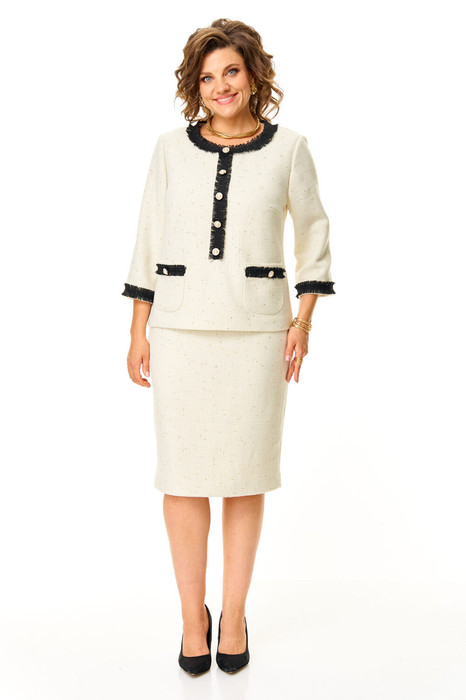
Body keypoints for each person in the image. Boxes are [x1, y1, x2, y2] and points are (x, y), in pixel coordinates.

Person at [122, 18, 336, 676]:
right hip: (179, 331)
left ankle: (234, 614)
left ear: (253, 74)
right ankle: (194, 618)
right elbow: (148, 236)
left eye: (231, 71)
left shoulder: (290, 149)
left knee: (245, 478)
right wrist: (137, 329)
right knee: (183, 478)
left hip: (257, 334)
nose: (220, 86)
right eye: (208, 76)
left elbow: (314, 235)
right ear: (195, 85)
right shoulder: (169, 150)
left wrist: (303, 322)